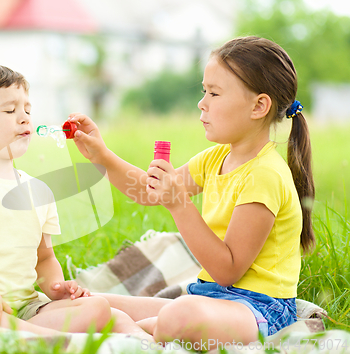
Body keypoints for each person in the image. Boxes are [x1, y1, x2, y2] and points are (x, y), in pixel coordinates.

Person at [67, 36, 315, 349]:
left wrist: (180, 206)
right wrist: (101, 155)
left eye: (214, 93)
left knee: (180, 314)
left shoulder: (265, 175)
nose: (202, 103)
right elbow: (148, 191)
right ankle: (139, 329)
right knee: (94, 301)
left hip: (259, 311)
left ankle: (140, 332)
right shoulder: (216, 158)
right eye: (203, 91)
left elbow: (227, 270)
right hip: (209, 298)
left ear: (259, 106)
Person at [0, 64, 151, 340]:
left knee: (99, 307)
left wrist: (56, 287)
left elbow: (44, 257)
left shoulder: (39, 191)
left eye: (27, 110)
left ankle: (23, 334)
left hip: (31, 309)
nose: (24, 119)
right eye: (10, 111)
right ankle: (40, 338)